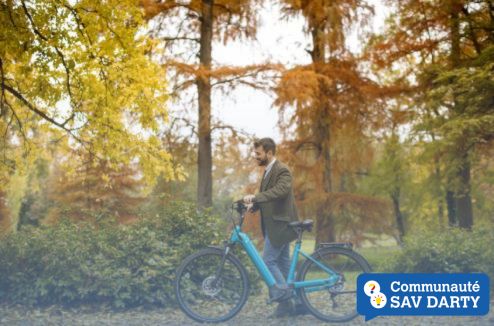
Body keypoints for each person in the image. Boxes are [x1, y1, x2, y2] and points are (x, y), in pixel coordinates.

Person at [243, 137, 306, 318]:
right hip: (276, 225)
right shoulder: (267, 171)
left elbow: (280, 191)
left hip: (281, 224)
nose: (255, 156)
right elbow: (268, 198)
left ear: (269, 153)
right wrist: (253, 206)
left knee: (268, 261)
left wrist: (255, 197)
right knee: (283, 263)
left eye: (258, 153)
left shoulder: (282, 170)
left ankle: (285, 298)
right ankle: (298, 303)